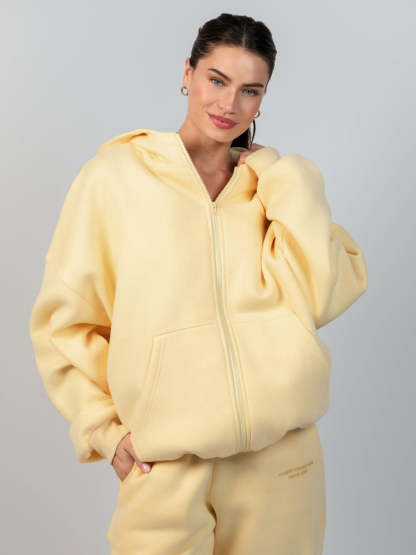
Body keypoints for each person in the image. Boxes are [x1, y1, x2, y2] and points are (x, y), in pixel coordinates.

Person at [29, 12, 368, 555]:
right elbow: (65, 324)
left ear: (263, 99)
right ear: (187, 74)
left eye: (250, 90)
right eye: (217, 80)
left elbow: (323, 293)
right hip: (167, 466)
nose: (229, 104)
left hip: (282, 466)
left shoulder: (271, 190)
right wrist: (104, 430)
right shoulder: (115, 179)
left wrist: (284, 175)